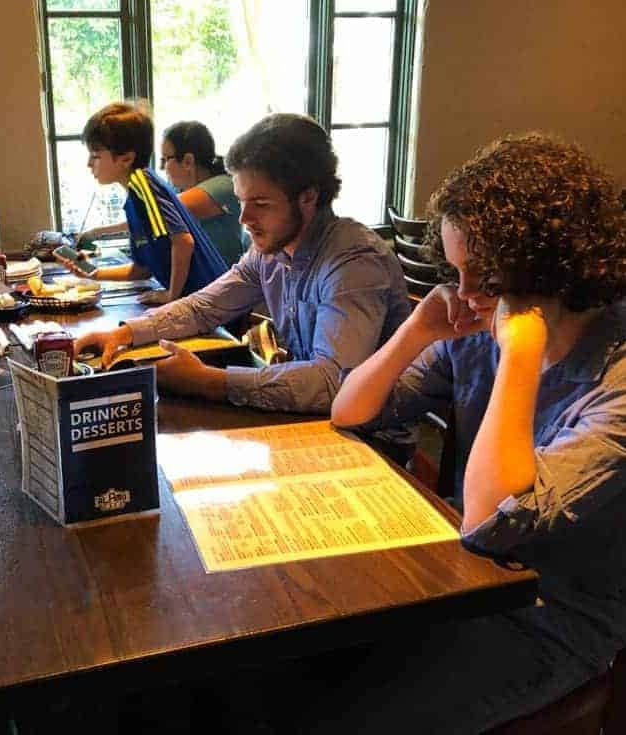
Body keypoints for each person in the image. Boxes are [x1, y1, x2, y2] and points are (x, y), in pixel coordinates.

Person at [247, 133, 626, 733]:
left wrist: (522, 353)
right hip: (451, 577)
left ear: (551, 268)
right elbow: (350, 411)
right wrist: (416, 330)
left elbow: (489, 517)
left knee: (335, 716)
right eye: (455, 271)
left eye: (487, 276)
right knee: (267, 668)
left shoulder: (613, 375)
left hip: (551, 616)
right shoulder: (478, 325)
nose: (466, 293)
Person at [76, 113, 410, 419]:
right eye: (241, 201)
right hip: (308, 419)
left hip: (371, 442)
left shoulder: (355, 262)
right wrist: (123, 333)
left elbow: (331, 383)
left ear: (308, 198)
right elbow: (203, 308)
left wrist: (207, 381)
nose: (244, 219)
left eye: (261, 204)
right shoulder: (270, 251)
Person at [69, 102, 228, 305]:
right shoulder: (134, 196)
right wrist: (93, 273)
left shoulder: (143, 184)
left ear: (126, 158)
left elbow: (183, 242)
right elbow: (142, 270)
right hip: (197, 304)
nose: (89, 164)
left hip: (210, 305)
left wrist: (172, 295)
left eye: (95, 156)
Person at [79, 120, 247, 267]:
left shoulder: (223, 186)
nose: (161, 167)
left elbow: (152, 216)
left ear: (188, 161)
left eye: (166, 159)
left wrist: (97, 232)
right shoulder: (178, 189)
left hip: (220, 287)